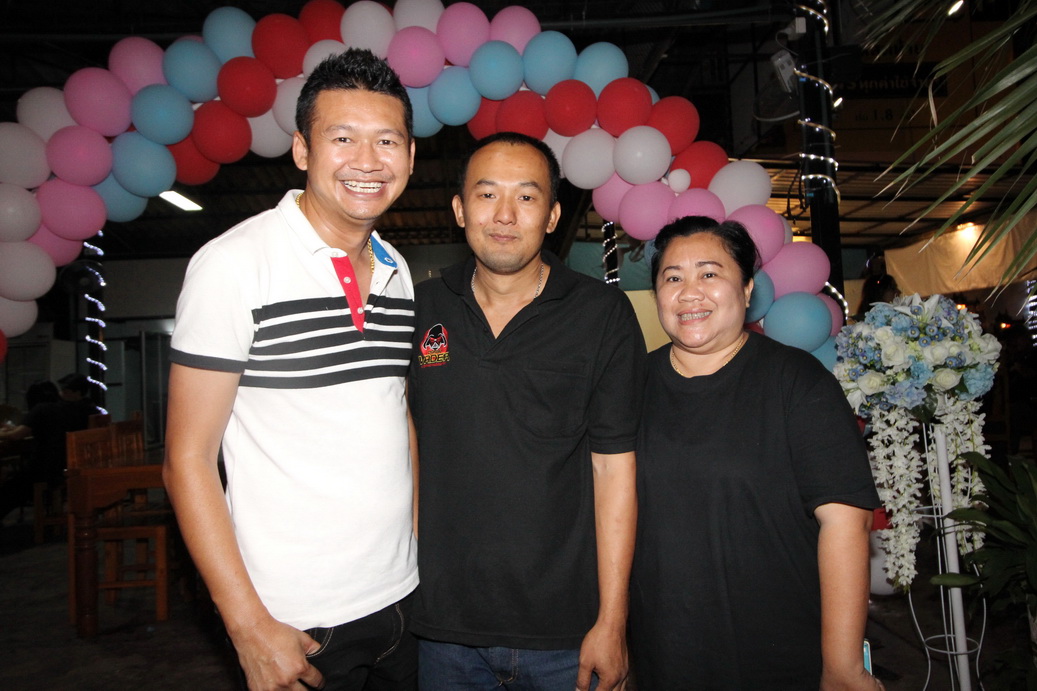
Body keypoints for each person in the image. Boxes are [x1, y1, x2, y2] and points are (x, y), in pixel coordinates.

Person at [164, 49, 418, 691]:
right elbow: (187, 461)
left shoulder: (399, 271)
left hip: (403, 601)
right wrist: (247, 625)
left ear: (411, 156)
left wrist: (417, 545)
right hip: (297, 620)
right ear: (303, 150)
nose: (368, 160)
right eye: (343, 138)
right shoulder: (233, 265)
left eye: (387, 140)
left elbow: (394, 414)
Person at [408, 132, 646, 690]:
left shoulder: (601, 314)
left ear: (553, 215)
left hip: (567, 632)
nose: (505, 214)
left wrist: (613, 621)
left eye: (527, 196)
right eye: (487, 194)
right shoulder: (420, 309)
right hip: (441, 629)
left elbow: (615, 471)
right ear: (460, 209)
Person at [629, 216, 883, 690]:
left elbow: (846, 522)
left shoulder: (797, 381)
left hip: (779, 652)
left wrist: (842, 666)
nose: (690, 293)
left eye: (709, 273)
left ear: (747, 288)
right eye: (673, 278)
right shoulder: (628, 387)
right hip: (663, 651)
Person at [0, 375, 94, 521]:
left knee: (14, 486)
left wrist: (3, 432)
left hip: (46, 468)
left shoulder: (41, 409)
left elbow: (16, 435)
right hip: (70, 464)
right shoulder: (87, 409)